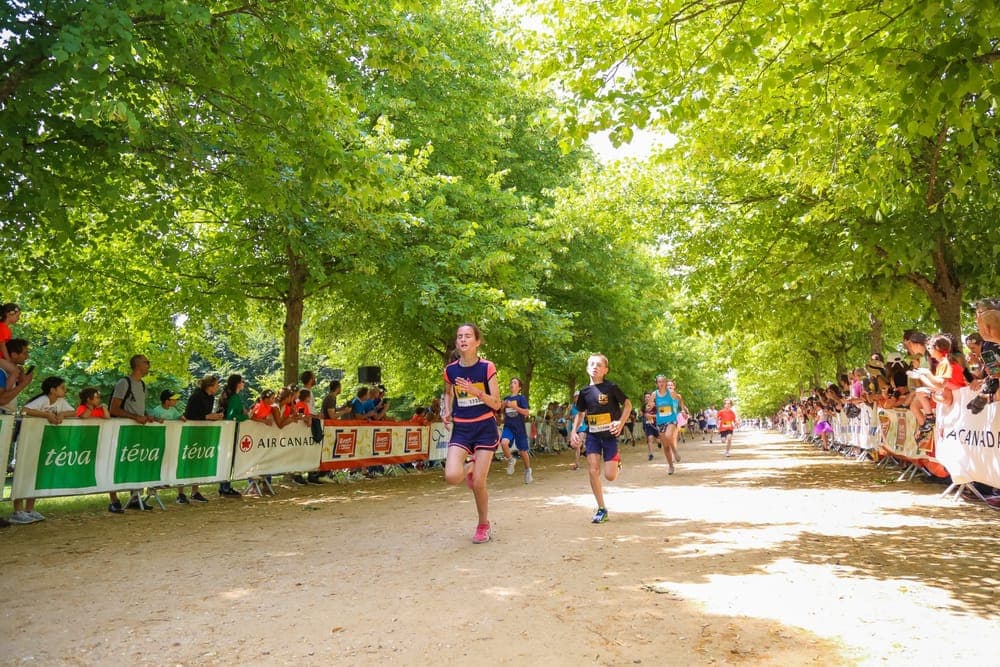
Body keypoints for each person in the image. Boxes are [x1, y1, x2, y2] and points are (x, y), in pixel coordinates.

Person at [441, 323, 503, 544]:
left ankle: (483, 524)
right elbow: (448, 394)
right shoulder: (451, 370)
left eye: (468, 336)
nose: (463, 340)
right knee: (451, 476)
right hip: (462, 428)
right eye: (459, 337)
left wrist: (476, 391)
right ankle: (469, 466)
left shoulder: (486, 367)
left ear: (477, 341)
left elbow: (497, 404)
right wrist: (446, 411)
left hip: (485, 428)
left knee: (478, 483)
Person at [570, 353, 632, 524]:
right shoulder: (584, 392)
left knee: (610, 476)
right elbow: (580, 413)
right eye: (591, 364)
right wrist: (574, 432)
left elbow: (628, 404)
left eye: (599, 365)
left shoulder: (611, 387)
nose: (595, 367)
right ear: (587, 368)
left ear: (605, 370)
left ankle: (616, 461)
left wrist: (620, 422)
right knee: (593, 470)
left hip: (610, 435)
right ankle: (601, 508)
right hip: (593, 436)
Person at [9, 376, 76, 524]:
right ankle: (17, 510)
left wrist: (62, 414)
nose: (65, 390)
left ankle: (29, 509)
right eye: (62, 387)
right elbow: (25, 410)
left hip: (42, 442)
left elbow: (74, 412)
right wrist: (46, 415)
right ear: (53, 390)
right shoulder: (42, 400)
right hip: (27, 441)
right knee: (23, 473)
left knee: (36, 474)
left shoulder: (60, 402)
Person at [108, 354, 160, 513]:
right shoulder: (124, 383)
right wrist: (135, 417)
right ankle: (113, 500)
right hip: (122, 429)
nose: (148, 365)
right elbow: (114, 408)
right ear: (137, 365)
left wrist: (146, 416)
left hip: (136, 430)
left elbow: (138, 409)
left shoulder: (143, 385)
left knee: (135, 461)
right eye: (146, 362)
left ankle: (135, 497)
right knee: (116, 463)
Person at [908, 334, 966, 438]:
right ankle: (929, 419)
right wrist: (921, 376)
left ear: (937, 348)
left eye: (930, 347)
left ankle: (929, 421)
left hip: (954, 397)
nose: (928, 349)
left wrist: (926, 373)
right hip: (949, 396)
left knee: (924, 394)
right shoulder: (942, 362)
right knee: (921, 392)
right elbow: (938, 385)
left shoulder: (945, 362)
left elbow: (940, 385)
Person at [180, 374, 224, 502]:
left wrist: (214, 416)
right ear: (209, 386)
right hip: (190, 432)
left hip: (202, 432)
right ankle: (181, 493)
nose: (218, 387)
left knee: (198, 461)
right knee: (186, 461)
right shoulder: (196, 396)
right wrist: (207, 417)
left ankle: (195, 491)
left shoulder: (211, 397)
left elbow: (206, 414)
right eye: (216, 385)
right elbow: (190, 414)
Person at [216, 374, 247, 497]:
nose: (244, 383)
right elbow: (232, 416)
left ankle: (225, 486)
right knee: (228, 460)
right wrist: (246, 416)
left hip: (231, 431)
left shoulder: (235, 396)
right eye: (242, 381)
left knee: (228, 460)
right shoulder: (234, 398)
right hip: (231, 431)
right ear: (238, 383)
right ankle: (225, 487)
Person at [499, 377, 532, 483]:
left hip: (519, 428)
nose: (512, 384)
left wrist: (515, 407)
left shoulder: (521, 398)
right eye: (511, 382)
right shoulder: (506, 398)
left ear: (519, 387)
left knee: (523, 452)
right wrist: (501, 408)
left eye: (514, 382)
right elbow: (501, 416)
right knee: (503, 443)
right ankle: (511, 459)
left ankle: (528, 470)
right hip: (508, 427)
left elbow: (527, 413)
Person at [653, 376, 686, 474]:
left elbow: (680, 401)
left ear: (674, 386)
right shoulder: (658, 394)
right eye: (668, 385)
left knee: (670, 436)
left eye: (671, 385)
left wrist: (683, 410)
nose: (669, 386)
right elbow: (655, 406)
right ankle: (671, 465)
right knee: (666, 446)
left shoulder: (674, 395)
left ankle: (675, 451)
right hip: (662, 420)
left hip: (673, 419)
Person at [0, 338, 33, 415]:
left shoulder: (13, 373)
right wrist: (23, 384)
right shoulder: (1, 372)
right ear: (14, 355)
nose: (27, 356)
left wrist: (20, 383)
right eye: (25, 353)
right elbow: (1, 400)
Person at [0, 303, 22, 382]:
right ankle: (4, 392)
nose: (18, 318)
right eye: (17, 316)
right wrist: (8, 360)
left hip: (2, 358)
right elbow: (2, 346)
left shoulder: (5, 328)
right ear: (9, 315)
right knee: (15, 371)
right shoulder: (2, 328)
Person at [641, 392, 658, 461]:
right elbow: (642, 414)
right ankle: (651, 454)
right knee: (650, 438)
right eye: (646, 397)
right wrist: (644, 415)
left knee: (659, 439)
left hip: (656, 424)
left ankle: (659, 443)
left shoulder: (656, 406)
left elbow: (659, 415)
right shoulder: (643, 406)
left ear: (651, 397)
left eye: (648, 397)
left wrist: (651, 416)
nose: (647, 398)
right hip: (648, 425)